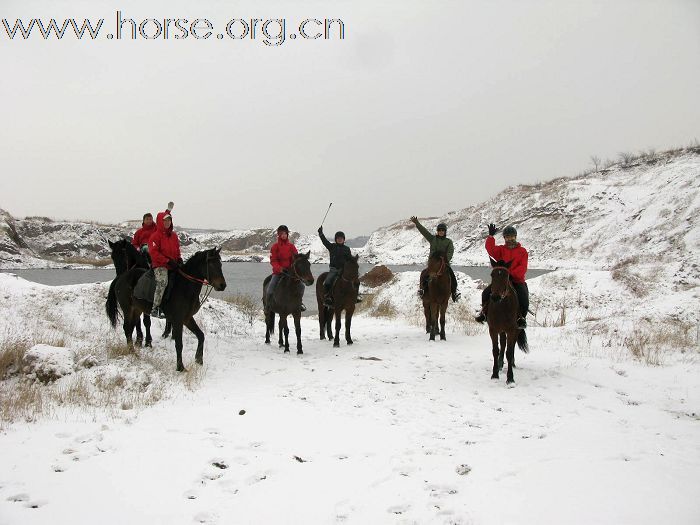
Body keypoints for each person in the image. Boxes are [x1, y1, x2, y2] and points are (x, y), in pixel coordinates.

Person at [475, 223, 529, 329]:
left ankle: (521, 319)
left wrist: (511, 274)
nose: (510, 239)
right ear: (504, 238)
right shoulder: (501, 250)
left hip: (517, 280)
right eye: (507, 237)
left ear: (515, 237)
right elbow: (490, 249)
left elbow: (523, 267)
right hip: (502, 281)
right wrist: (490, 237)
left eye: (512, 236)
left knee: (524, 298)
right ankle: (484, 313)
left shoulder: (522, 251)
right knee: (485, 293)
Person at [410, 216, 460, 302]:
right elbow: (424, 232)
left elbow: (450, 252)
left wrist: (444, 260)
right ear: (437, 231)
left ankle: (454, 293)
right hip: (433, 264)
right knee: (424, 274)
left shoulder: (448, 241)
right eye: (439, 230)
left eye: (442, 230)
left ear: (445, 232)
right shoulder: (433, 239)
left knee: (452, 276)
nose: (441, 232)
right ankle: (422, 290)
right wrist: (417, 223)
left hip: (444, 264)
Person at [148, 202, 181, 319]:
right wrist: (167, 261)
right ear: (160, 222)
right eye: (165, 221)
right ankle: (155, 308)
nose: (167, 223)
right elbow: (154, 253)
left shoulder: (174, 235)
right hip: (160, 265)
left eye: (169, 220)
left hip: (173, 263)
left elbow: (177, 249)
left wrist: (179, 258)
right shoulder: (155, 236)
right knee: (163, 282)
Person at [317, 226, 360, 307]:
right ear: (336, 239)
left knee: (356, 280)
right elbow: (325, 242)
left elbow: (349, 259)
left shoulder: (347, 249)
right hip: (334, 269)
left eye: (341, 238)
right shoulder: (332, 247)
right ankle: (327, 297)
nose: (340, 240)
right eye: (338, 238)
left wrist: (354, 260)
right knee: (328, 281)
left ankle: (356, 296)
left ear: (344, 240)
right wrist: (321, 233)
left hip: (344, 270)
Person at [266, 225, 305, 313]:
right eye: (282, 234)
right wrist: (280, 269)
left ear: (287, 234)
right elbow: (273, 261)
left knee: (302, 286)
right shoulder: (275, 247)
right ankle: (268, 306)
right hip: (278, 272)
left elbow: (296, 259)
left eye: (285, 233)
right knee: (270, 288)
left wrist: (293, 268)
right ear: (279, 235)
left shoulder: (291, 247)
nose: (284, 235)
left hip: (290, 273)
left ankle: (300, 303)